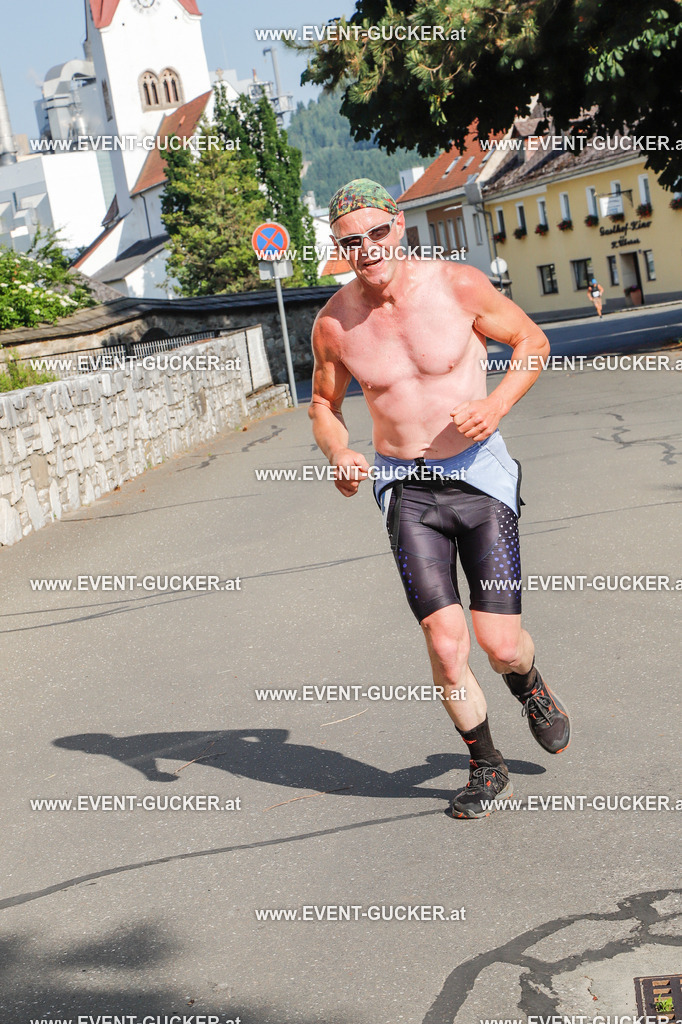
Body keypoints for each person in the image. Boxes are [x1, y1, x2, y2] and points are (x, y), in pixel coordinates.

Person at [309, 178, 570, 819]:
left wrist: (496, 403)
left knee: (500, 644)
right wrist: (339, 451)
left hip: (479, 475)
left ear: (398, 226)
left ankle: (529, 686)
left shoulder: (457, 286)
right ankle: (486, 764)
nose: (367, 249)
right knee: (447, 642)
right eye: (351, 242)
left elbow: (532, 343)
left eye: (376, 233)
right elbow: (323, 404)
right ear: (339, 249)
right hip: (405, 489)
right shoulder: (334, 324)